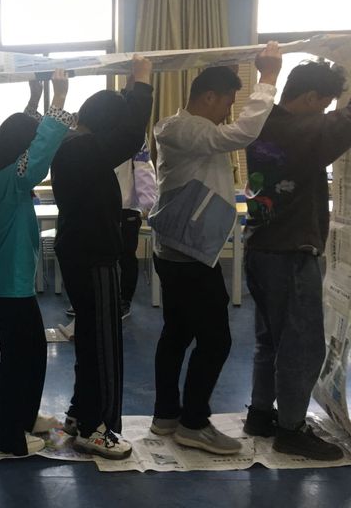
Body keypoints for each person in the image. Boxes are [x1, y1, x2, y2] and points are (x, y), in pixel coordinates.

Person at [149, 42, 282, 455]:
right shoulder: (185, 129)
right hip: (187, 254)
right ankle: (193, 423)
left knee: (177, 332)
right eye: (226, 102)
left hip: (180, 248)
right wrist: (267, 79)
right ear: (208, 97)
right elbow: (242, 133)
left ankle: (166, 415)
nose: (228, 112)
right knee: (216, 340)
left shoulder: (184, 129)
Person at [243, 60, 348, 461]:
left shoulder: (262, 121)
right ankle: (291, 429)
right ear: (310, 97)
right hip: (290, 253)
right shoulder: (301, 130)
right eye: (323, 104)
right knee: (301, 345)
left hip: (261, 247)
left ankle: (260, 413)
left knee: (270, 339)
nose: (324, 112)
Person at [51, 55, 153, 460]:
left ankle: (80, 413)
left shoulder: (74, 144)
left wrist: (129, 89)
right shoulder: (82, 148)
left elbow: (123, 133)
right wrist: (141, 84)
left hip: (82, 251)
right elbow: (130, 136)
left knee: (92, 339)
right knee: (104, 344)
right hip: (93, 256)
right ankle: (97, 427)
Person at [0, 70, 76, 456]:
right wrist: (59, 98)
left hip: (9, 282)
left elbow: (25, 136)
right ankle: (6, 435)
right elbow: (38, 152)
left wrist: (35, 97)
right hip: (9, 285)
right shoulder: (10, 180)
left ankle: (25, 417)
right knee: (19, 359)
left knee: (31, 353)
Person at [114, 140, 158, 319]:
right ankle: (97, 298)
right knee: (99, 255)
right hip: (101, 204)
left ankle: (124, 300)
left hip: (128, 207)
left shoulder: (135, 137)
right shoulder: (97, 131)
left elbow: (144, 168)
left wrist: (149, 203)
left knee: (126, 256)